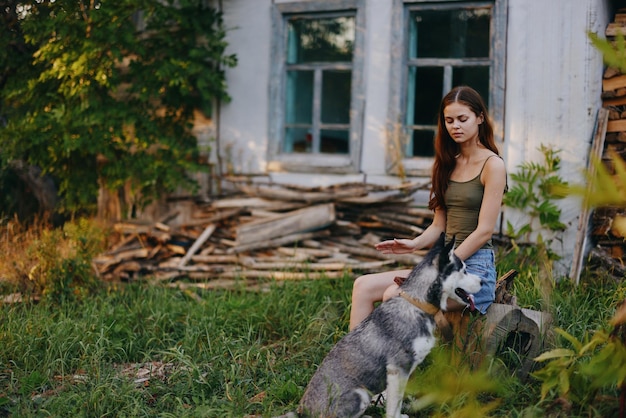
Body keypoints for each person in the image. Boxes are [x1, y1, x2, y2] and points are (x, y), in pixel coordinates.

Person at [349, 85, 507, 331]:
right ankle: (355, 366)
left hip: (474, 272)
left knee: (394, 294)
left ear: (480, 118)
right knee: (363, 285)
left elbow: (484, 232)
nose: (455, 126)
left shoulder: (492, 165)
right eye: (449, 120)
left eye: (463, 119)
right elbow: (438, 226)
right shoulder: (446, 164)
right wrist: (413, 244)